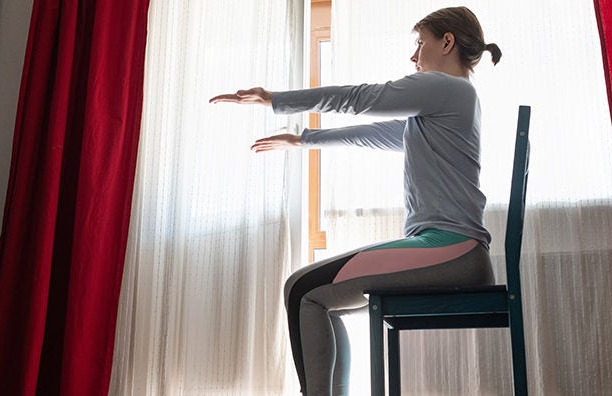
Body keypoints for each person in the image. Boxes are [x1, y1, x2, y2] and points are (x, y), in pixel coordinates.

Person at [210, 6, 501, 396]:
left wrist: (274, 99)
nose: (413, 57)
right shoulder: (449, 107)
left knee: (302, 292)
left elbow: (359, 98)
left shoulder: (448, 89)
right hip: (454, 251)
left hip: (452, 249)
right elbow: (372, 133)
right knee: (312, 295)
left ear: (447, 42)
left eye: (420, 44)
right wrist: (303, 140)